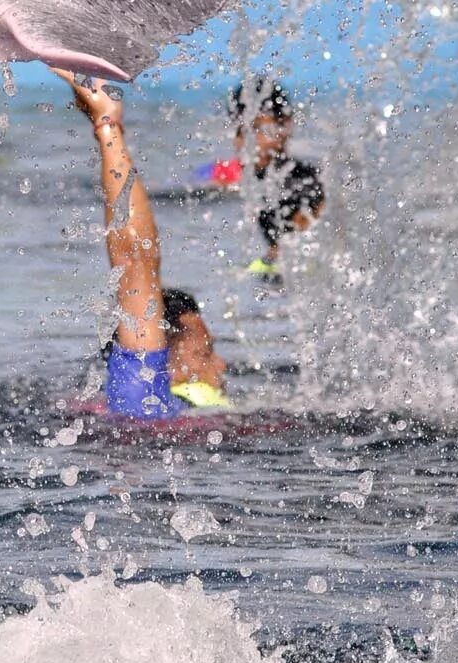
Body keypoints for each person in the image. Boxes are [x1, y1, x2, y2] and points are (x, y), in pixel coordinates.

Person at [57, 69, 231, 417]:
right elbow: (135, 260)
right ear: (157, 351)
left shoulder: (163, 411)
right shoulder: (142, 397)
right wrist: (107, 126)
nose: (222, 366)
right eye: (203, 353)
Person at [229, 78, 325, 278]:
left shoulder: (304, 182)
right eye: (240, 131)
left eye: (257, 129)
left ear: (285, 126)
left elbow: (299, 242)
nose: (247, 141)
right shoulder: (233, 176)